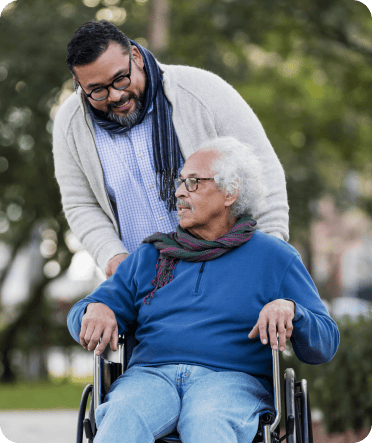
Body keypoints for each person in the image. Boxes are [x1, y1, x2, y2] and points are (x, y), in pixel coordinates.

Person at [67, 137, 339, 443]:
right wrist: (96, 309)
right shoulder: (152, 255)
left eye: (193, 182)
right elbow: (82, 313)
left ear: (230, 191)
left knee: (206, 421)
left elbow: (325, 342)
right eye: (180, 182)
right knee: (121, 417)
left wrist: (292, 310)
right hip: (150, 377)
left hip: (231, 381)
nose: (179, 192)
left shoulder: (275, 257)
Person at [53, 20, 289, 278]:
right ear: (78, 83)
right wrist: (113, 257)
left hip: (229, 274)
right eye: (97, 90)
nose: (115, 95)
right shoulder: (70, 123)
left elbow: (263, 173)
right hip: (146, 289)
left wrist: (268, 257)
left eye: (120, 79)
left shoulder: (204, 91)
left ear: (135, 56)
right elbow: (81, 204)